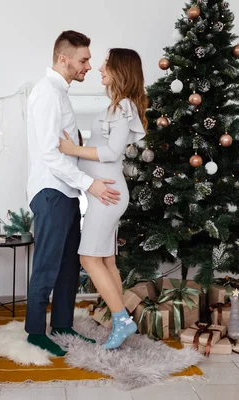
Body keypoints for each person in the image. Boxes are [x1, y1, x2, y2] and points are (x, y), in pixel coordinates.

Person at [25, 30, 121, 357]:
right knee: (48, 265)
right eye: (83, 60)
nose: (88, 66)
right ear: (63, 59)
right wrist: (89, 183)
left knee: (68, 265)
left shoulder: (61, 93)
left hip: (66, 193)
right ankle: (35, 331)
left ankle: (63, 324)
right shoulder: (47, 94)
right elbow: (50, 154)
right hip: (51, 192)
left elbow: (69, 149)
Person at [58, 48, 148, 349]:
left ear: (120, 70)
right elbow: (102, 146)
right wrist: (81, 147)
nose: (99, 68)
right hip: (106, 194)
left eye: (106, 64)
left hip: (107, 195)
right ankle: (119, 320)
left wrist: (73, 151)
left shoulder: (122, 108)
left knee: (88, 258)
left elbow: (111, 153)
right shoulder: (118, 106)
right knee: (106, 259)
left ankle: (122, 320)